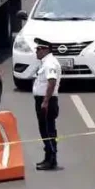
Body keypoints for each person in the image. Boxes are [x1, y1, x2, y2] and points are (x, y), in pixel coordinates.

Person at [32, 38, 61, 171]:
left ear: (46, 50)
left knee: (48, 130)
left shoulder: (50, 63)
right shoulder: (46, 62)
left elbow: (52, 82)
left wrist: (45, 101)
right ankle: (48, 156)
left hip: (47, 101)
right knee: (44, 129)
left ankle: (51, 159)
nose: (36, 51)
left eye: (38, 49)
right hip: (44, 100)